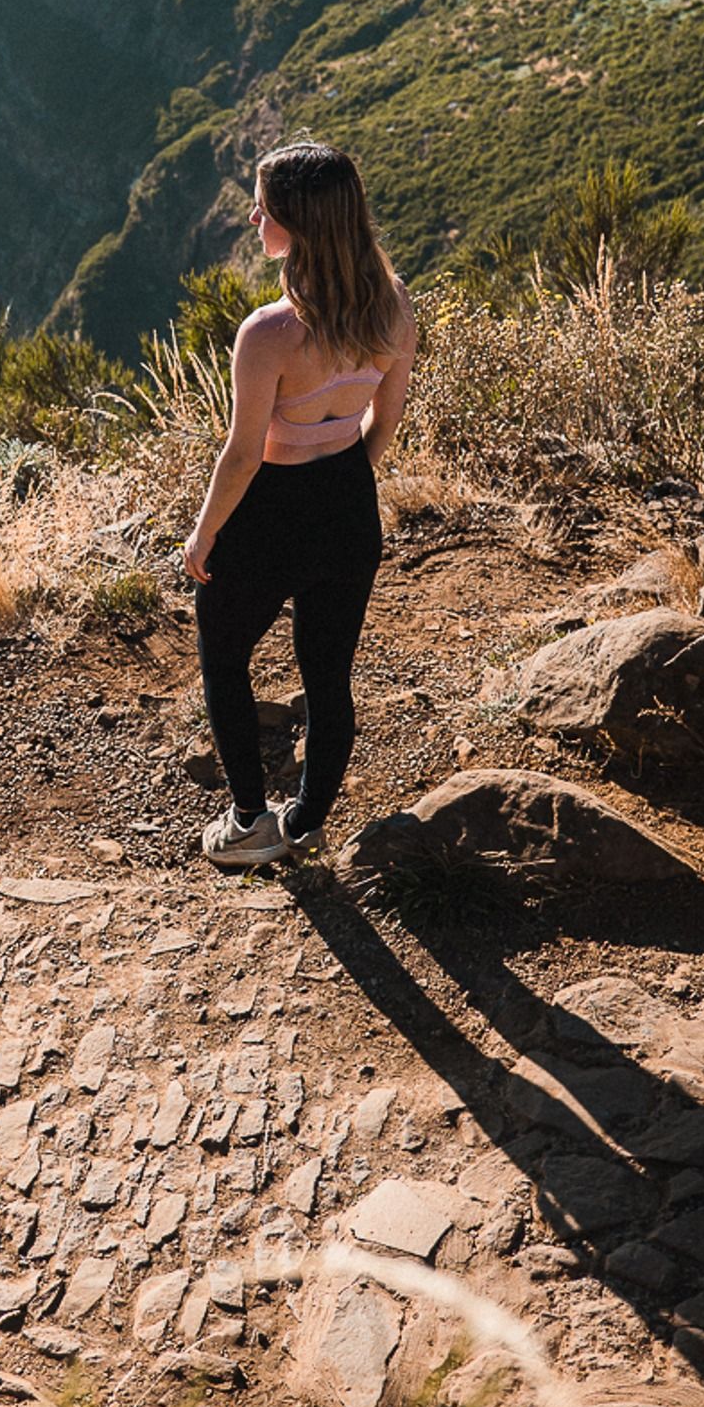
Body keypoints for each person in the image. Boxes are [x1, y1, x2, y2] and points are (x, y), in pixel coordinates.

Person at [182, 141, 416, 871]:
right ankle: (306, 820)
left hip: (268, 512)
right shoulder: (392, 304)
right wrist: (345, 482)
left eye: (265, 207)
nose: (253, 217)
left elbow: (242, 454)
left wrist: (203, 533)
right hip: (348, 503)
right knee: (326, 675)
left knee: (222, 655)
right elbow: (388, 421)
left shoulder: (269, 334)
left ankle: (250, 821)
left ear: (300, 224)